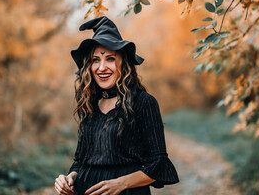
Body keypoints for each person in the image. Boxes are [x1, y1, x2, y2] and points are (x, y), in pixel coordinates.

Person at [55, 16, 179, 195]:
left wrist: (121, 183)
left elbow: (158, 164)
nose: (101, 67)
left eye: (110, 59)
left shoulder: (144, 102)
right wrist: (69, 178)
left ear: (124, 63)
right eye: (95, 60)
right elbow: (80, 161)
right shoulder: (89, 104)